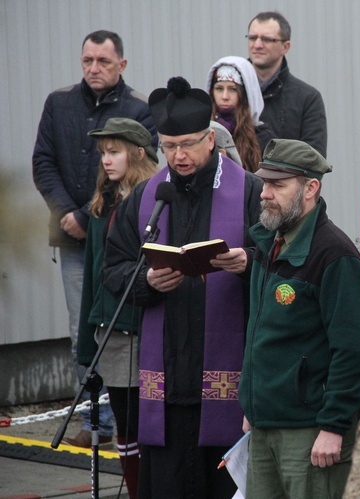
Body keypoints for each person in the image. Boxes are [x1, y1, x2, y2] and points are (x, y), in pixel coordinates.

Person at [102, 76, 263, 498]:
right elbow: (114, 268)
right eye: (169, 146)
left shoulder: (248, 190)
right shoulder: (147, 197)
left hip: (231, 382)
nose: (179, 155)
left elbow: (282, 260)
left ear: (211, 138)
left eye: (189, 143)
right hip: (168, 385)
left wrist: (249, 262)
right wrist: (147, 281)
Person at [32, 29, 156, 448]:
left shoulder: (139, 108)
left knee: (122, 325)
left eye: (103, 61)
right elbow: (43, 161)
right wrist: (68, 213)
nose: (93, 69)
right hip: (71, 235)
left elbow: (143, 168)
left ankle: (119, 420)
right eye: (87, 60)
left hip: (107, 227)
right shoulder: (59, 102)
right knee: (82, 326)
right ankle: (96, 419)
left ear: (121, 64)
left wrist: (89, 216)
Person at [238, 139, 360, 498]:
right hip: (264, 425)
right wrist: (252, 405)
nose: (265, 193)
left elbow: (351, 351)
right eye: (265, 183)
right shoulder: (269, 242)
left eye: (278, 185)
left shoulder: (334, 254)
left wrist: (333, 426)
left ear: (311, 188)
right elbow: (260, 333)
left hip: (310, 433)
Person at [78, 118, 158, 497]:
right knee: (125, 422)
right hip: (110, 331)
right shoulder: (100, 207)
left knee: (151, 422)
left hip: (147, 329)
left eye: (115, 152)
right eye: (103, 154)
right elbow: (93, 281)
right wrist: (86, 349)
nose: (106, 161)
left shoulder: (156, 201)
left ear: (139, 153)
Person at [246, 11, 327, 156]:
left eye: (266, 39)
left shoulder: (308, 98)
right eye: (253, 38)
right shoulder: (230, 92)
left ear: (285, 47)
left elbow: (314, 160)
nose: (257, 45)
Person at [206, 56, 275, 171]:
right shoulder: (202, 134)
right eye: (219, 88)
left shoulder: (262, 137)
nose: (225, 97)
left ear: (245, 94)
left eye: (232, 89)